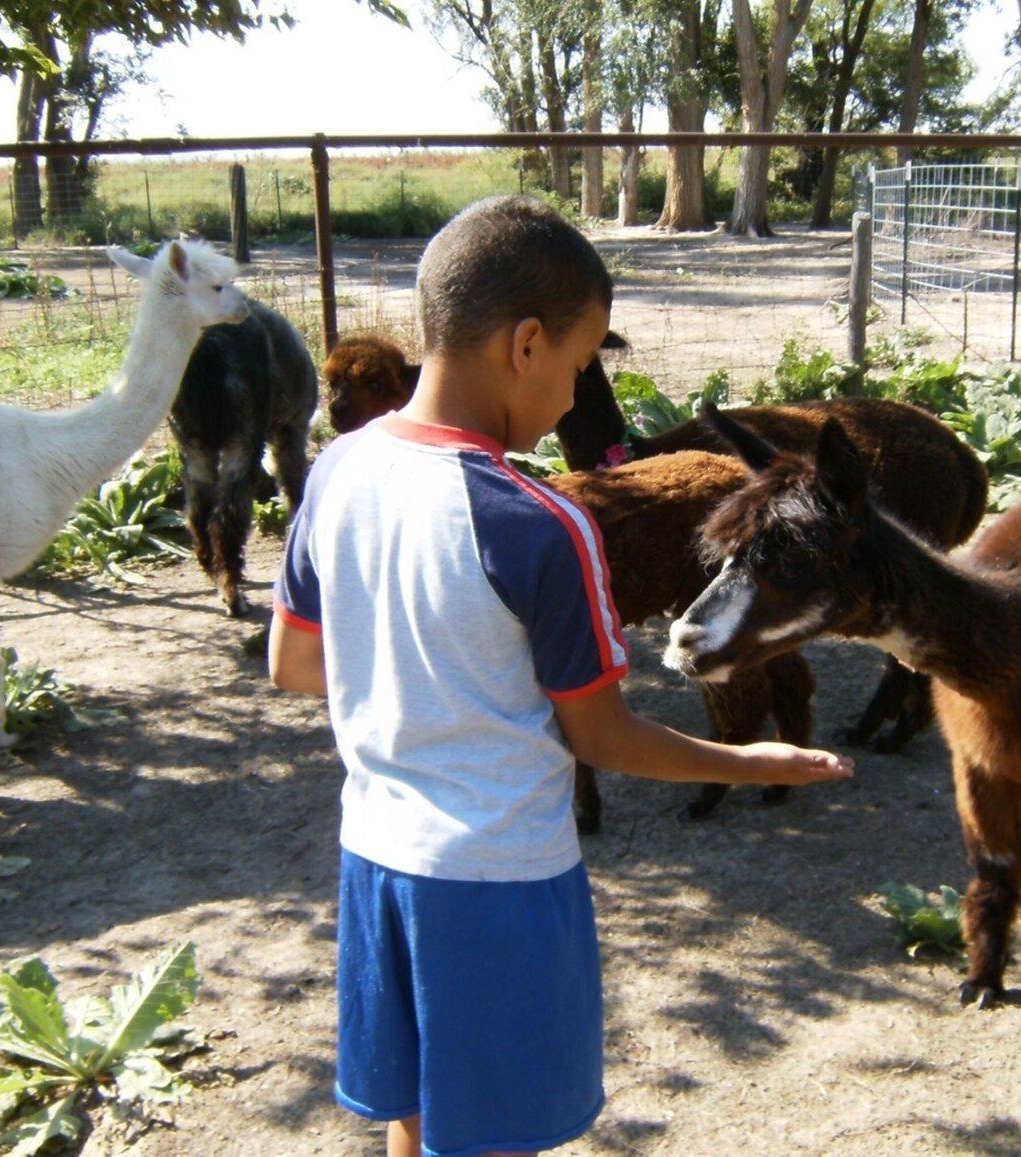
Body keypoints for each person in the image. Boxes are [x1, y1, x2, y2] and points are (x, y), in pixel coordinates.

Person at [269, 195, 852, 1157]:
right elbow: (604, 737)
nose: (580, 397)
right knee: (497, 1135)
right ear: (527, 344)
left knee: (414, 1118)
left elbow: (295, 663)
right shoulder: (539, 524)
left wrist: (417, 672)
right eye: (582, 367)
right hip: (496, 880)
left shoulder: (337, 471)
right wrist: (754, 762)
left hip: (375, 855)